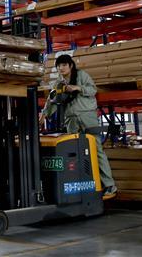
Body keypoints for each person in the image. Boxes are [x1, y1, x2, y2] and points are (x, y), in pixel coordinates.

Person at [40, 53, 117, 197]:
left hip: (87, 116)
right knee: (74, 152)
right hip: (71, 120)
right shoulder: (59, 83)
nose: (61, 68)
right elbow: (52, 101)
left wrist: (78, 88)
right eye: (58, 66)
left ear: (70, 66)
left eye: (64, 65)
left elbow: (92, 90)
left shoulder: (82, 75)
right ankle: (83, 185)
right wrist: (44, 114)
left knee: (96, 150)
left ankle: (109, 185)